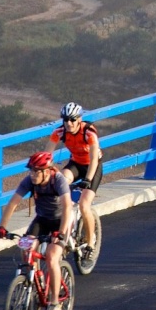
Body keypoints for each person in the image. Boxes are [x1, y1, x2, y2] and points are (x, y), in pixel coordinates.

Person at [0, 152, 72, 310]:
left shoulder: (58, 180)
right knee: (26, 249)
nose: (33, 174)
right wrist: (2, 227)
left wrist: (61, 233)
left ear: (47, 171)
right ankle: (35, 281)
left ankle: (54, 302)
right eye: (31, 170)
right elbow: (13, 203)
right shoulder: (29, 181)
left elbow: (67, 208)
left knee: (51, 257)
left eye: (37, 171)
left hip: (60, 221)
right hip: (42, 219)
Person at [45, 102, 102, 261]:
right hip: (75, 164)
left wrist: (88, 180)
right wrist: (44, 175)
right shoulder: (59, 132)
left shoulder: (89, 133)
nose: (68, 123)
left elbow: (93, 161)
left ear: (79, 119)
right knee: (60, 185)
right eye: (65, 119)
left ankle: (90, 242)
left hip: (92, 167)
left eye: (72, 120)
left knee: (84, 205)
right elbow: (47, 156)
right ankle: (65, 230)